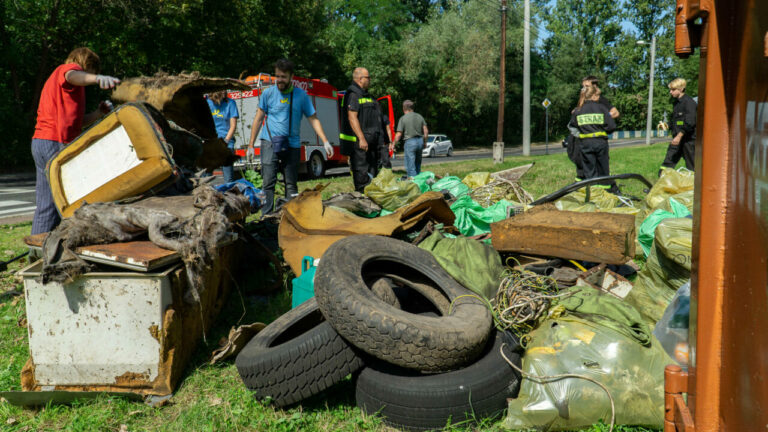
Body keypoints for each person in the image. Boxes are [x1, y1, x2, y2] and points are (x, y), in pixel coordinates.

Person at [30, 47, 120, 235]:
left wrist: (98, 114)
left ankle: (37, 252)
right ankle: (68, 244)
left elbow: (77, 122)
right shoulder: (67, 70)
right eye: (92, 72)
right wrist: (96, 79)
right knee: (71, 199)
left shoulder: (67, 90)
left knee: (47, 204)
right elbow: (72, 75)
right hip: (53, 142)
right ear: (86, 66)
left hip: (42, 141)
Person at [246, 58, 332, 214]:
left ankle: (290, 215)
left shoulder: (301, 96)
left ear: (291, 77)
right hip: (269, 142)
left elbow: (313, 118)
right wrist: (251, 145)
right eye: (277, 76)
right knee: (268, 182)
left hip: (292, 144)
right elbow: (258, 119)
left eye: (283, 77)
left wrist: (325, 141)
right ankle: (266, 216)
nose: (279, 80)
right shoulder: (268, 94)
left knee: (291, 183)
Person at [567, 76, 620, 181]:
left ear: (594, 87)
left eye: (586, 86)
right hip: (583, 138)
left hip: (590, 138)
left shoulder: (601, 101)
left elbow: (615, 113)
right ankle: (583, 186)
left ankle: (594, 187)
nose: (583, 89)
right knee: (582, 165)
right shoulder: (583, 99)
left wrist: (602, 118)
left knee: (595, 167)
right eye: (582, 87)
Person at [339, 67, 383, 192]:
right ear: (360, 79)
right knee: (362, 175)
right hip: (359, 145)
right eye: (367, 77)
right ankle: (363, 200)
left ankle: (371, 201)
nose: (370, 80)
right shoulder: (353, 95)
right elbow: (352, 117)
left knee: (373, 174)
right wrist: (362, 138)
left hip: (371, 144)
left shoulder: (367, 95)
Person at [661, 78, 697, 172]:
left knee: (692, 166)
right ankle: (662, 181)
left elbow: (690, 123)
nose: (670, 92)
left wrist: (679, 136)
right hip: (677, 141)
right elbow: (677, 121)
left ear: (680, 89)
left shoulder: (689, 103)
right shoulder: (676, 103)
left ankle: (695, 185)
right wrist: (667, 125)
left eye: (673, 90)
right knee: (667, 162)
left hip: (688, 142)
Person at [206, 90, 239, 182]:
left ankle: (229, 192)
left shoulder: (230, 103)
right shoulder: (207, 103)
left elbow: (233, 126)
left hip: (226, 142)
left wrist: (226, 141)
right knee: (206, 176)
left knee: (228, 179)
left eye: (226, 89)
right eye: (222, 89)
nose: (225, 92)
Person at [393, 100, 428, 178]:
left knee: (410, 165)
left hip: (410, 142)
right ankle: (419, 182)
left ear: (403, 108)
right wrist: (425, 142)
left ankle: (413, 185)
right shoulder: (420, 116)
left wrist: (393, 144)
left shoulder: (403, 118)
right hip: (420, 141)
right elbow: (425, 131)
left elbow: (399, 134)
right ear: (412, 108)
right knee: (417, 164)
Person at [378, 101, 394, 169]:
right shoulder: (383, 117)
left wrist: (390, 142)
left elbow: (388, 130)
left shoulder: (384, 117)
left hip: (383, 141)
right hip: (377, 141)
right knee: (381, 159)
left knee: (385, 159)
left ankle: (388, 171)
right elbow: (388, 130)